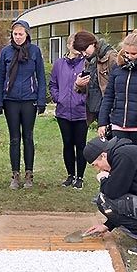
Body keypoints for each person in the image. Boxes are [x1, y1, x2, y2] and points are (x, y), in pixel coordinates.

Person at [0, 20, 46, 190]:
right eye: (15, 34)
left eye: (21, 34)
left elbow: (41, 76)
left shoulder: (35, 51)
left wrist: (41, 100)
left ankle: (29, 174)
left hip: (29, 99)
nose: (18, 37)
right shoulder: (6, 52)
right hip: (11, 100)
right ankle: (15, 174)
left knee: (28, 137)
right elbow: (0, 77)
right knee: (14, 138)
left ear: (27, 35)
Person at [98, 29, 137, 148]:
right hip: (117, 124)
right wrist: (102, 122)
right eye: (126, 53)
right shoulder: (117, 69)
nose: (129, 56)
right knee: (118, 160)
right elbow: (108, 96)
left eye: (133, 54)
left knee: (135, 162)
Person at [49, 33, 88, 189]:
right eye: (74, 43)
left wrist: (82, 100)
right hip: (63, 112)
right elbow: (53, 84)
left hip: (81, 112)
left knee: (81, 145)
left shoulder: (86, 63)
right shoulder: (59, 64)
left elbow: (91, 86)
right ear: (68, 45)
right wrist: (59, 98)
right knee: (67, 144)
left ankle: (80, 177)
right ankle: (70, 175)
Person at [73, 30, 117, 127]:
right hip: (94, 109)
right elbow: (91, 86)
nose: (84, 54)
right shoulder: (88, 61)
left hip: (110, 109)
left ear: (93, 43)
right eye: (81, 52)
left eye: (85, 49)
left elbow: (119, 84)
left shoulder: (111, 57)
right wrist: (79, 84)